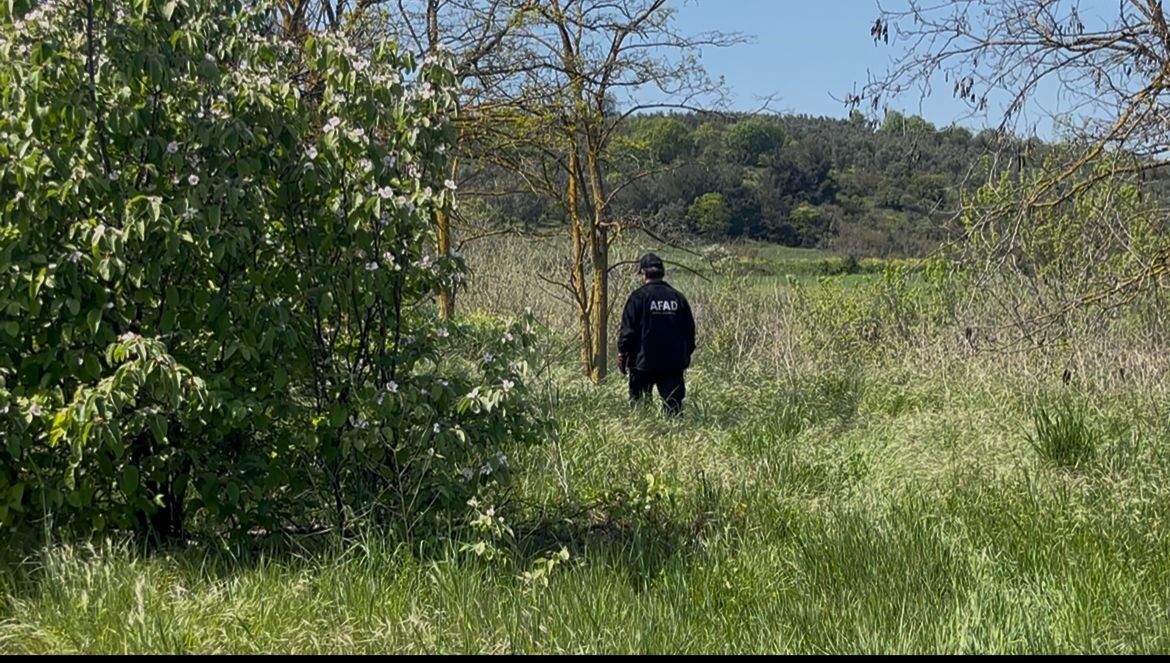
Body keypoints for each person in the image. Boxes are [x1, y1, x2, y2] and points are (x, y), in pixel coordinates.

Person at [617, 253, 696, 415]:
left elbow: (628, 331)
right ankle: (674, 431)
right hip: (672, 363)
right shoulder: (678, 298)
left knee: (640, 410)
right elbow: (689, 332)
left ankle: (645, 429)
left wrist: (622, 353)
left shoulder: (638, 298)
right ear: (662, 272)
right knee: (673, 410)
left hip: (642, 363)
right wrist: (685, 355)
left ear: (644, 274)